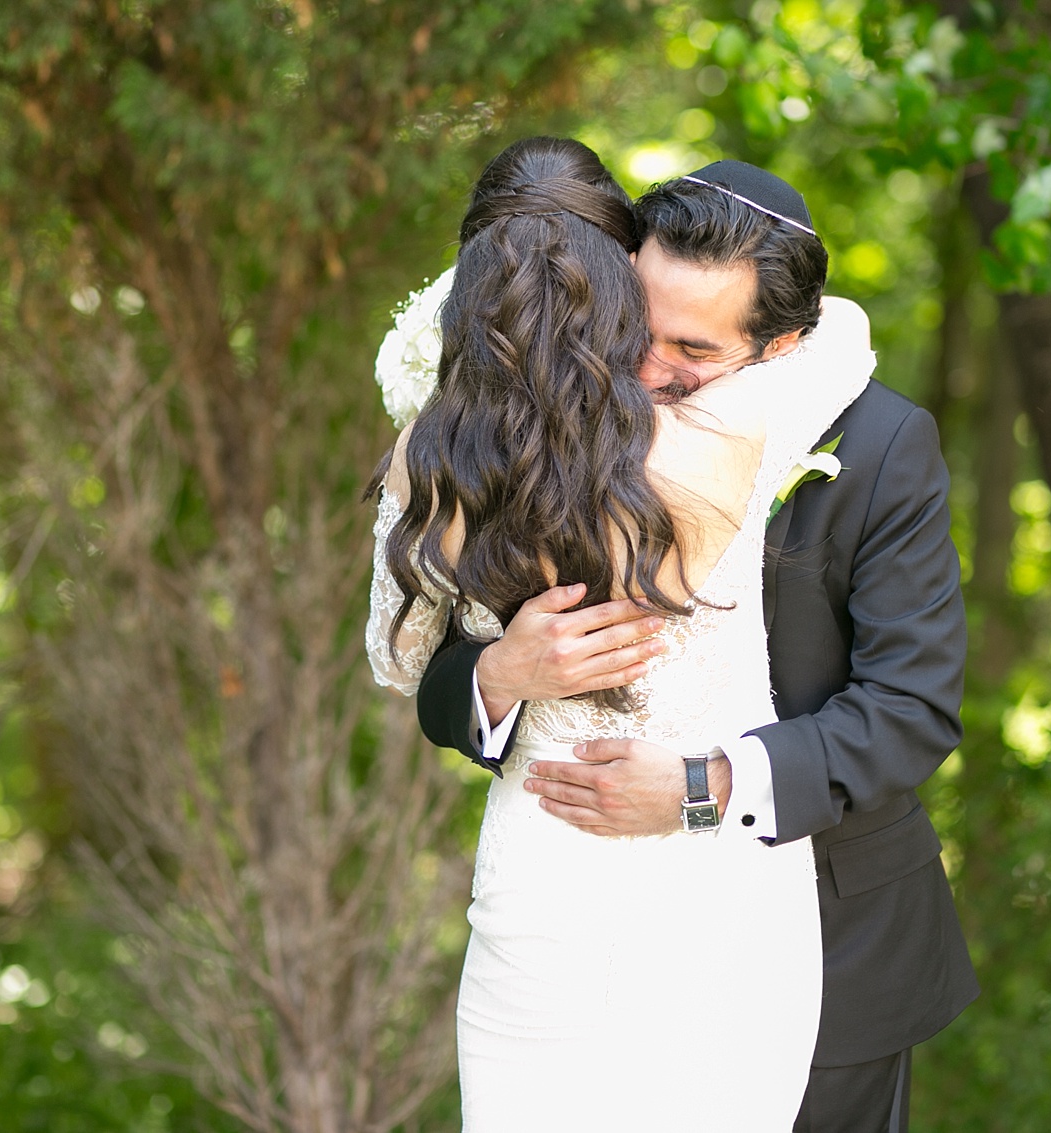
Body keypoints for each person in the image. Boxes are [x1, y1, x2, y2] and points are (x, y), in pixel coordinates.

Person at [412, 161, 978, 1132]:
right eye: (634, 327)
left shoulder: (879, 445)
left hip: (831, 945)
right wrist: (504, 673)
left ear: (781, 344)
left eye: (690, 347)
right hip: (603, 959)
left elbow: (910, 706)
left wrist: (698, 784)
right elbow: (434, 672)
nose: (641, 368)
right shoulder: (552, 420)